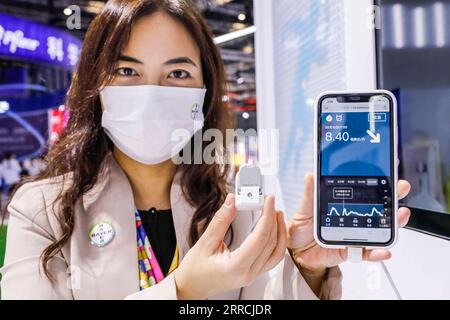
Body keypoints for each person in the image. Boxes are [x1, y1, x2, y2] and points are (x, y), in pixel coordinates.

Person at [0, 0, 411, 300]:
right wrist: (182, 291)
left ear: (205, 92)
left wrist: (306, 270)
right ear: (96, 85)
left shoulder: (239, 204)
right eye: (127, 71)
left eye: (178, 72)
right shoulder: (41, 210)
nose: (152, 92)